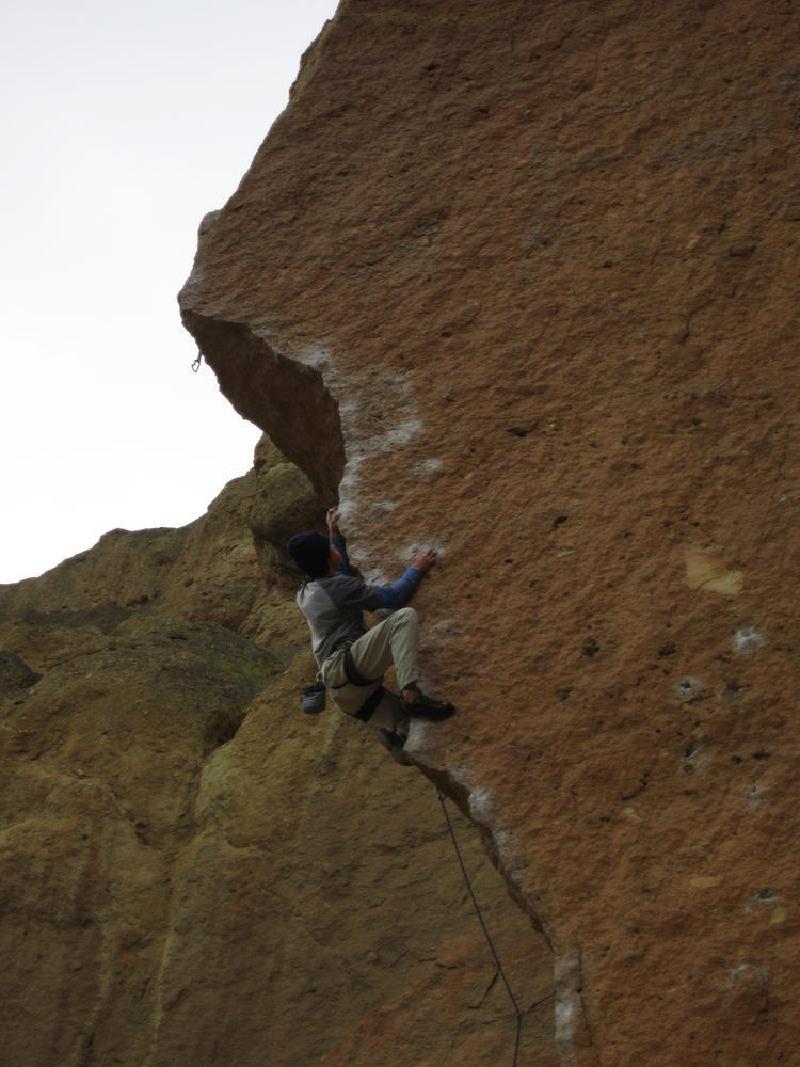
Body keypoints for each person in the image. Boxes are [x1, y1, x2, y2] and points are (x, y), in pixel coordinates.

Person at [287, 508, 454, 761]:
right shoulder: (337, 587)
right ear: (325, 559)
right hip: (348, 666)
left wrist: (334, 535)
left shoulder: (306, 592)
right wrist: (416, 569)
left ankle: (396, 735)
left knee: (415, 733)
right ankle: (411, 695)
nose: (334, 551)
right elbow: (392, 598)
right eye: (328, 549)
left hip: (346, 693)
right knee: (402, 618)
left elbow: (338, 573)